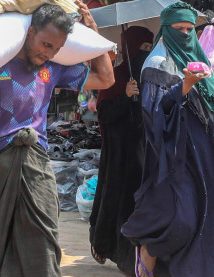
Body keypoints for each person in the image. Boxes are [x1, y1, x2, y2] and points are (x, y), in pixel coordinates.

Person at [0, 0, 115, 277]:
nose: (49, 52)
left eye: (56, 48)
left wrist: (93, 30)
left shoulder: (53, 68)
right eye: (45, 44)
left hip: (37, 162)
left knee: (43, 240)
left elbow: (106, 80)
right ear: (29, 33)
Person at [121, 2, 214, 277]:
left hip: (205, 154)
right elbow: (155, 114)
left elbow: (211, 110)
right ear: (166, 30)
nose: (184, 34)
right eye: (178, 29)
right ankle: (148, 251)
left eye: (189, 29)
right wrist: (184, 86)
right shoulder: (157, 63)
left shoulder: (201, 62)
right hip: (176, 157)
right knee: (182, 218)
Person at [89, 26, 154, 273]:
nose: (146, 53)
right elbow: (104, 113)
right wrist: (125, 96)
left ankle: (132, 256)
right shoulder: (116, 76)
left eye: (149, 48)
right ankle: (104, 245)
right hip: (118, 153)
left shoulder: (149, 74)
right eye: (142, 48)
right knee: (114, 200)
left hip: (141, 151)